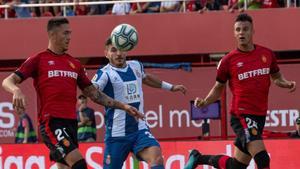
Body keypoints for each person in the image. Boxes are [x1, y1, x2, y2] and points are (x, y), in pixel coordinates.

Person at [2, 18, 143, 169]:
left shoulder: (75, 64)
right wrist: (16, 90)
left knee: (64, 167)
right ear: (52, 34)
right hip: (51, 122)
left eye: (70, 33)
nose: (69, 37)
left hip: (71, 123)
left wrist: (123, 106)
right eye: (66, 33)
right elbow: (7, 81)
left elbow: (95, 95)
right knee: (79, 164)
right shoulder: (38, 59)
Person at [185, 13, 296, 169]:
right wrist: (205, 101)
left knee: (236, 166)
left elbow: (277, 77)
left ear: (252, 31)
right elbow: (218, 87)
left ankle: (198, 158)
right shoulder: (228, 61)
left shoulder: (267, 54)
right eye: (238, 30)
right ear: (234, 32)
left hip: (259, 115)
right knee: (263, 159)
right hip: (241, 115)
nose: (241, 33)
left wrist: (286, 83)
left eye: (245, 29)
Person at [92, 37, 187, 169]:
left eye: (122, 49)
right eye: (113, 50)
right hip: (117, 134)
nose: (118, 54)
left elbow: (146, 78)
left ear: (127, 51)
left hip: (139, 129)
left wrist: (171, 87)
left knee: (157, 157)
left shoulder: (136, 65)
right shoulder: (104, 74)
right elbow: (92, 91)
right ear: (106, 54)